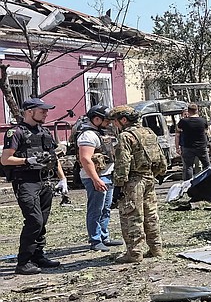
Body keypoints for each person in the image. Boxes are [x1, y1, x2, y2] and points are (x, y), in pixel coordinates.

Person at [1, 97, 65, 275]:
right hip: (26, 182)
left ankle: (38, 256)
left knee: (42, 221)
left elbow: (53, 157)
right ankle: (23, 262)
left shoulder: (44, 132)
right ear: (30, 111)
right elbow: (5, 159)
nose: (46, 113)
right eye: (42, 110)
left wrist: (62, 179)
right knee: (34, 221)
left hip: (45, 181)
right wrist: (27, 160)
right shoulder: (16, 132)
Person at [110, 105, 168, 264]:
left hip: (133, 181)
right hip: (149, 177)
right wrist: (159, 172)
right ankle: (156, 248)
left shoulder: (126, 136)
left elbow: (123, 162)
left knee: (132, 216)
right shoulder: (149, 132)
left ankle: (134, 253)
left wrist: (118, 185)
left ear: (123, 120)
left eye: (115, 121)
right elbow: (161, 157)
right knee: (151, 214)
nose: (114, 125)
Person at [76, 104, 122, 252]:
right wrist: (96, 179)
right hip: (96, 177)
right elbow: (85, 159)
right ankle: (95, 240)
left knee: (105, 208)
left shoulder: (100, 132)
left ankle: (104, 236)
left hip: (107, 175)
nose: (109, 123)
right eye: (106, 120)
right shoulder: (87, 135)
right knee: (96, 209)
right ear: (96, 119)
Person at [175, 103, 210, 180]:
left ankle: (188, 186)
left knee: (188, 167)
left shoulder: (183, 121)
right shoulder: (203, 121)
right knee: (207, 165)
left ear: (189, 111)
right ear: (197, 111)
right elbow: (206, 131)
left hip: (188, 147)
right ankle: (208, 182)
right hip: (201, 147)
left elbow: (178, 132)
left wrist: (177, 147)